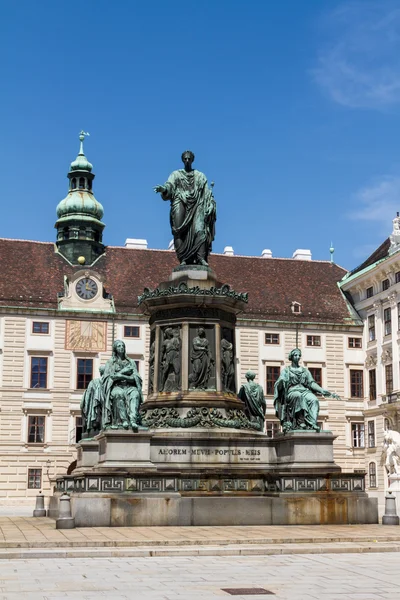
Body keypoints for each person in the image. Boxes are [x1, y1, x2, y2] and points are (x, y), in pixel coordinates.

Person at [154, 150, 216, 266]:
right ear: (183, 160)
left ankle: (200, 257)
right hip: (180, 201)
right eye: (185, 159)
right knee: (178, 228)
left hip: (197, 205)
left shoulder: (200, 176)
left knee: (200, 229)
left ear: (192, 160)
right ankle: (183, 258)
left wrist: (211, 204)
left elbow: (207, 194)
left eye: (189, 159)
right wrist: (164, 189)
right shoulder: (176, 174)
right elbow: (169, 185)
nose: (187, 161)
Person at [274, 348, 339, 434]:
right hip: (292, 391)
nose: (298, 357)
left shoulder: (305, 371)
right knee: (298, 396)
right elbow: (279, 383)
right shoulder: (286, 371)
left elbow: (311, 383)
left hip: (304, 391)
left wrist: (321, 390)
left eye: (299, 355)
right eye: (295, 355)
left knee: (314, 400)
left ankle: (312, 423)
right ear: (291, 357)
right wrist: (281, 382)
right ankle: (300, 422)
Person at [102, 340, 144, 432]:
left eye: (123, 346)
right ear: (115, 349)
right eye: (119, 346)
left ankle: (133, 420)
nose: (121, 348)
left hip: (129, 386)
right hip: (116, 386)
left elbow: (136, 378)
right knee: (118, 394)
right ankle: (123, 420)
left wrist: (121, 376)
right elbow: (108, 378)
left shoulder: (131, 362)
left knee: (135, 394)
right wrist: (124, 372)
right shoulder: (110, 362)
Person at [80, 365, 105, 438]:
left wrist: (86, 408)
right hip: (104, 407)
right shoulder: (109, 382)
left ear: (100, 372)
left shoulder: (93, 382)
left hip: (95, 408)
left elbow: (88, 397)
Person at [160, 327, 181, 392]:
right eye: (170, 331)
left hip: (175, 356)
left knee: (177, 371)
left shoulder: (175, 339)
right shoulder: (165, 342)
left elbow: (178, 346)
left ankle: (177, 386)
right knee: (165, 372)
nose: (172, 332)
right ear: (167, 333)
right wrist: (161, 360)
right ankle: (162, 386)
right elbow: (162, 352)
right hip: (168, 356)